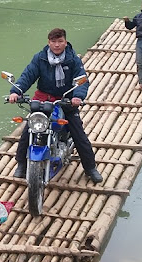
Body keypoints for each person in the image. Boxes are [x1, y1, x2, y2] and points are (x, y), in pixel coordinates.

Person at [9, 28, 103, 184]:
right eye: (53, 41)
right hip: (42, 99)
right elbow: (27, 75)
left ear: (65, 42)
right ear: (49, 42)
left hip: (65, 100)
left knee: (79, 134)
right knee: (28, 130)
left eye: (60, 41)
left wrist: (78, 96)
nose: (57, 45)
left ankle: (90, 168)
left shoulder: (73, 59)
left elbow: (81, 79)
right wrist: (16, 92)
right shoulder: (40, 58)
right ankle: (22, 163)